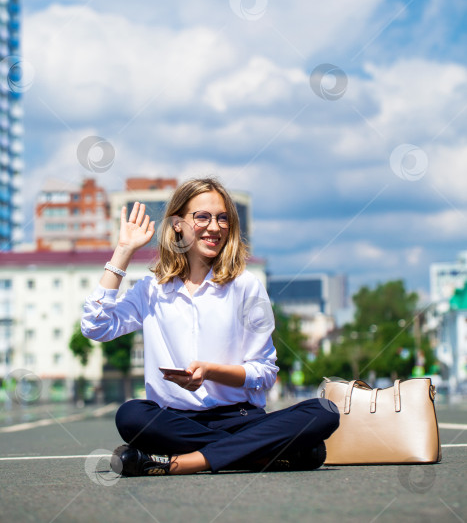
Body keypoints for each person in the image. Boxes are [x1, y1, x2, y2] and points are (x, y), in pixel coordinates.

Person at [81, 177, 339, 477]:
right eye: (202, 217)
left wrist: (211, 372)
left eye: (222, 218)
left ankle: (182, 463)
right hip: (175, 423)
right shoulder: (151, 289)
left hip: (240, 418)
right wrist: (123, 251)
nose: (214, 227)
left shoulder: (246, 286)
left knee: (324, 412)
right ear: (178, 224)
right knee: (131, 415)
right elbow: (95, 326)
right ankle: (258, 455)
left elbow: (265, 374)